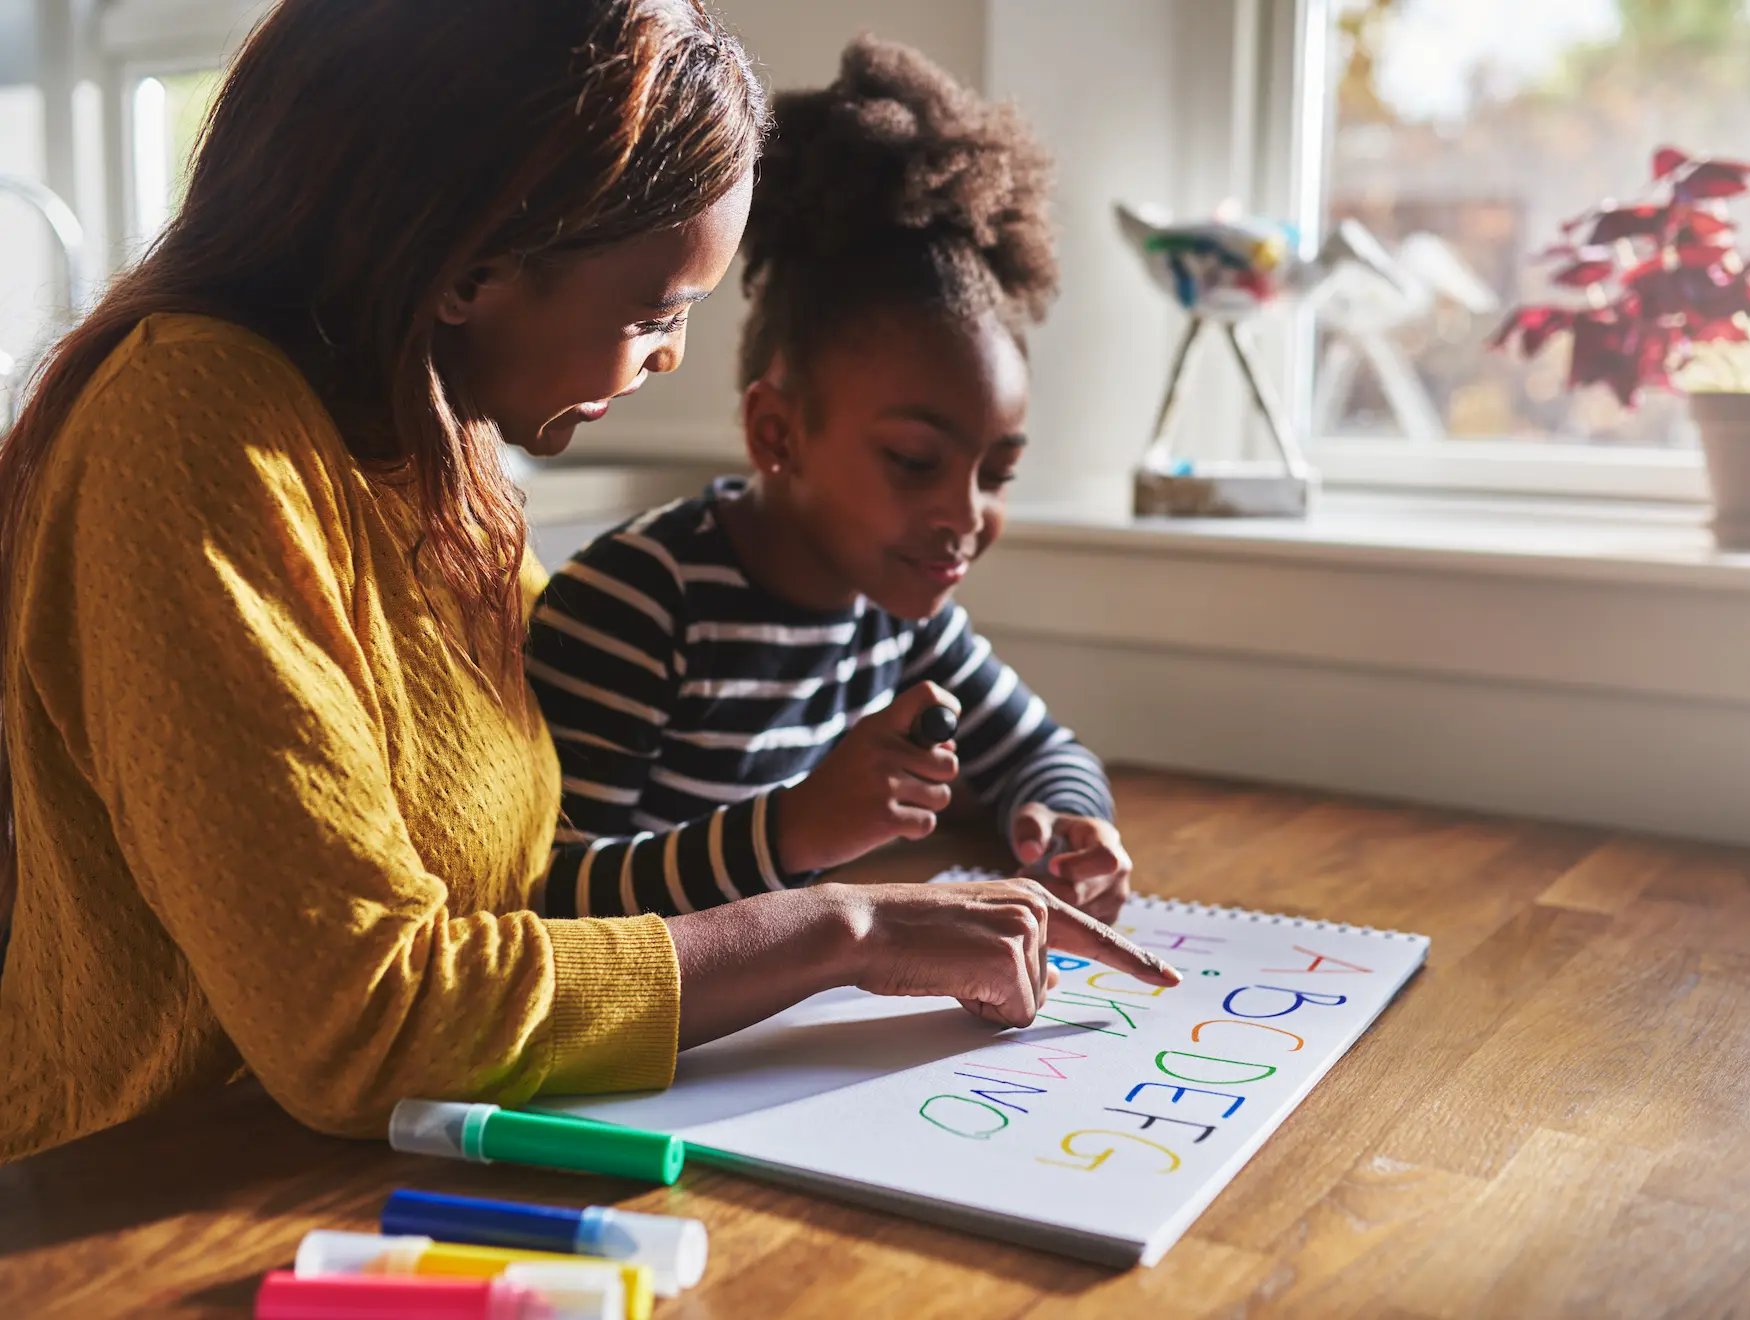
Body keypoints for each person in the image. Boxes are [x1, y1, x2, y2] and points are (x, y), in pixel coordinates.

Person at [0, 0, 1172, 1165]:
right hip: (135, 1200)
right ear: (472, 266)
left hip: (424, 1151)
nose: (668, 358)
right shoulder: (189, 429)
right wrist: (846, 926)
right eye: (656, 313)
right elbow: (360, 1023)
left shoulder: (444, 445)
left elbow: (528, 872)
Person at [530, 36, 1140, 934]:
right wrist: (793, 831)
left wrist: (1063, 819)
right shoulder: (637, 609)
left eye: (997, 472)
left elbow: (1043, 751)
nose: (965, 518)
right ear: (778, 433)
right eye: (914, 462)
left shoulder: (903, 620)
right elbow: (553, 900)